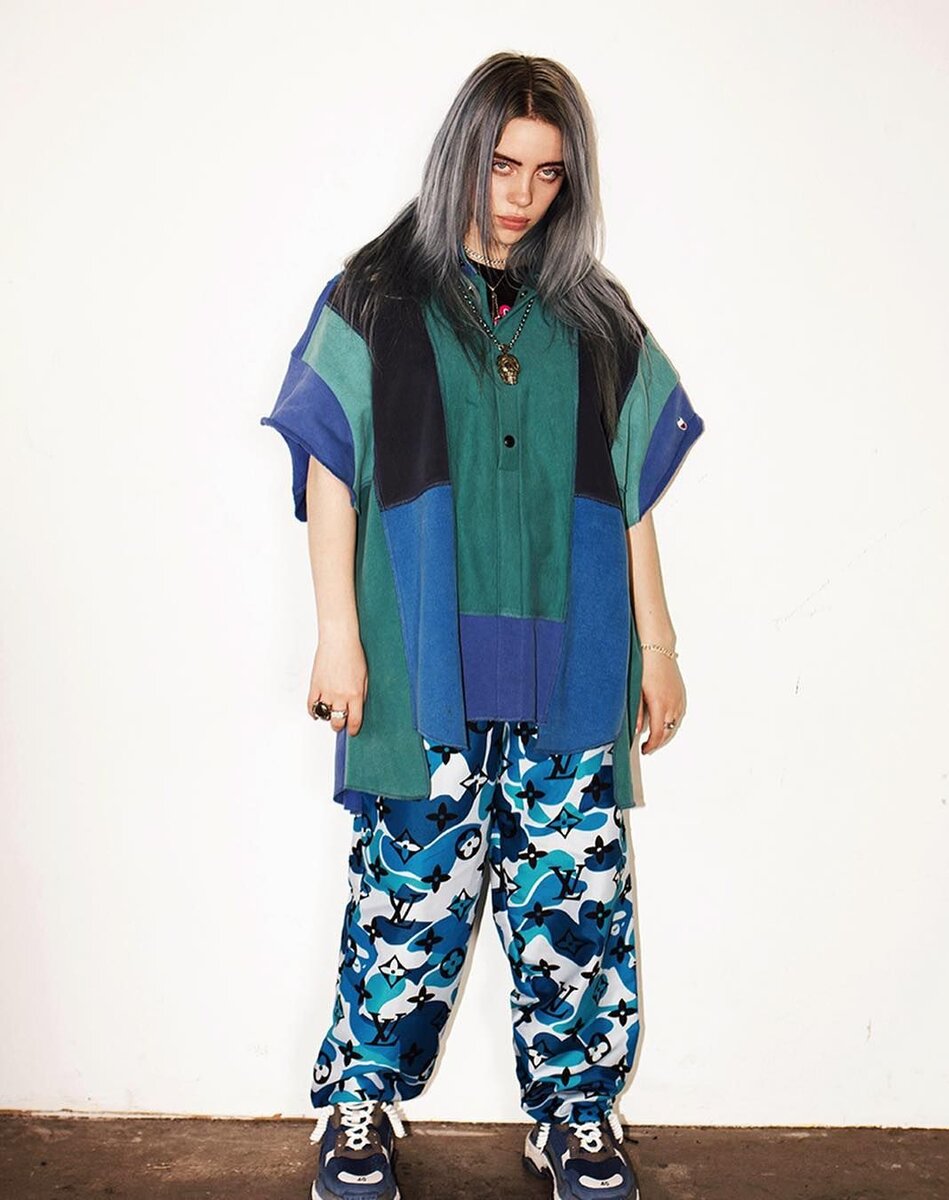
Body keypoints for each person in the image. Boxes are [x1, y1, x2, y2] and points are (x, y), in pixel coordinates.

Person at [260, 50, 704, 1200]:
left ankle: (575, 1116)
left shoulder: (596, 321)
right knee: (407, 902)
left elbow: (630, 498)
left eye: (548, 174)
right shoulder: (377, 296)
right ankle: (361, 1105)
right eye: (504, 164)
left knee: (578, 908)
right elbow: (332, 470)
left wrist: (658, 649)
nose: (522, 194)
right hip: (424, 675)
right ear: (465, 149)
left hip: (573, 672)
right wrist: (337, 633)